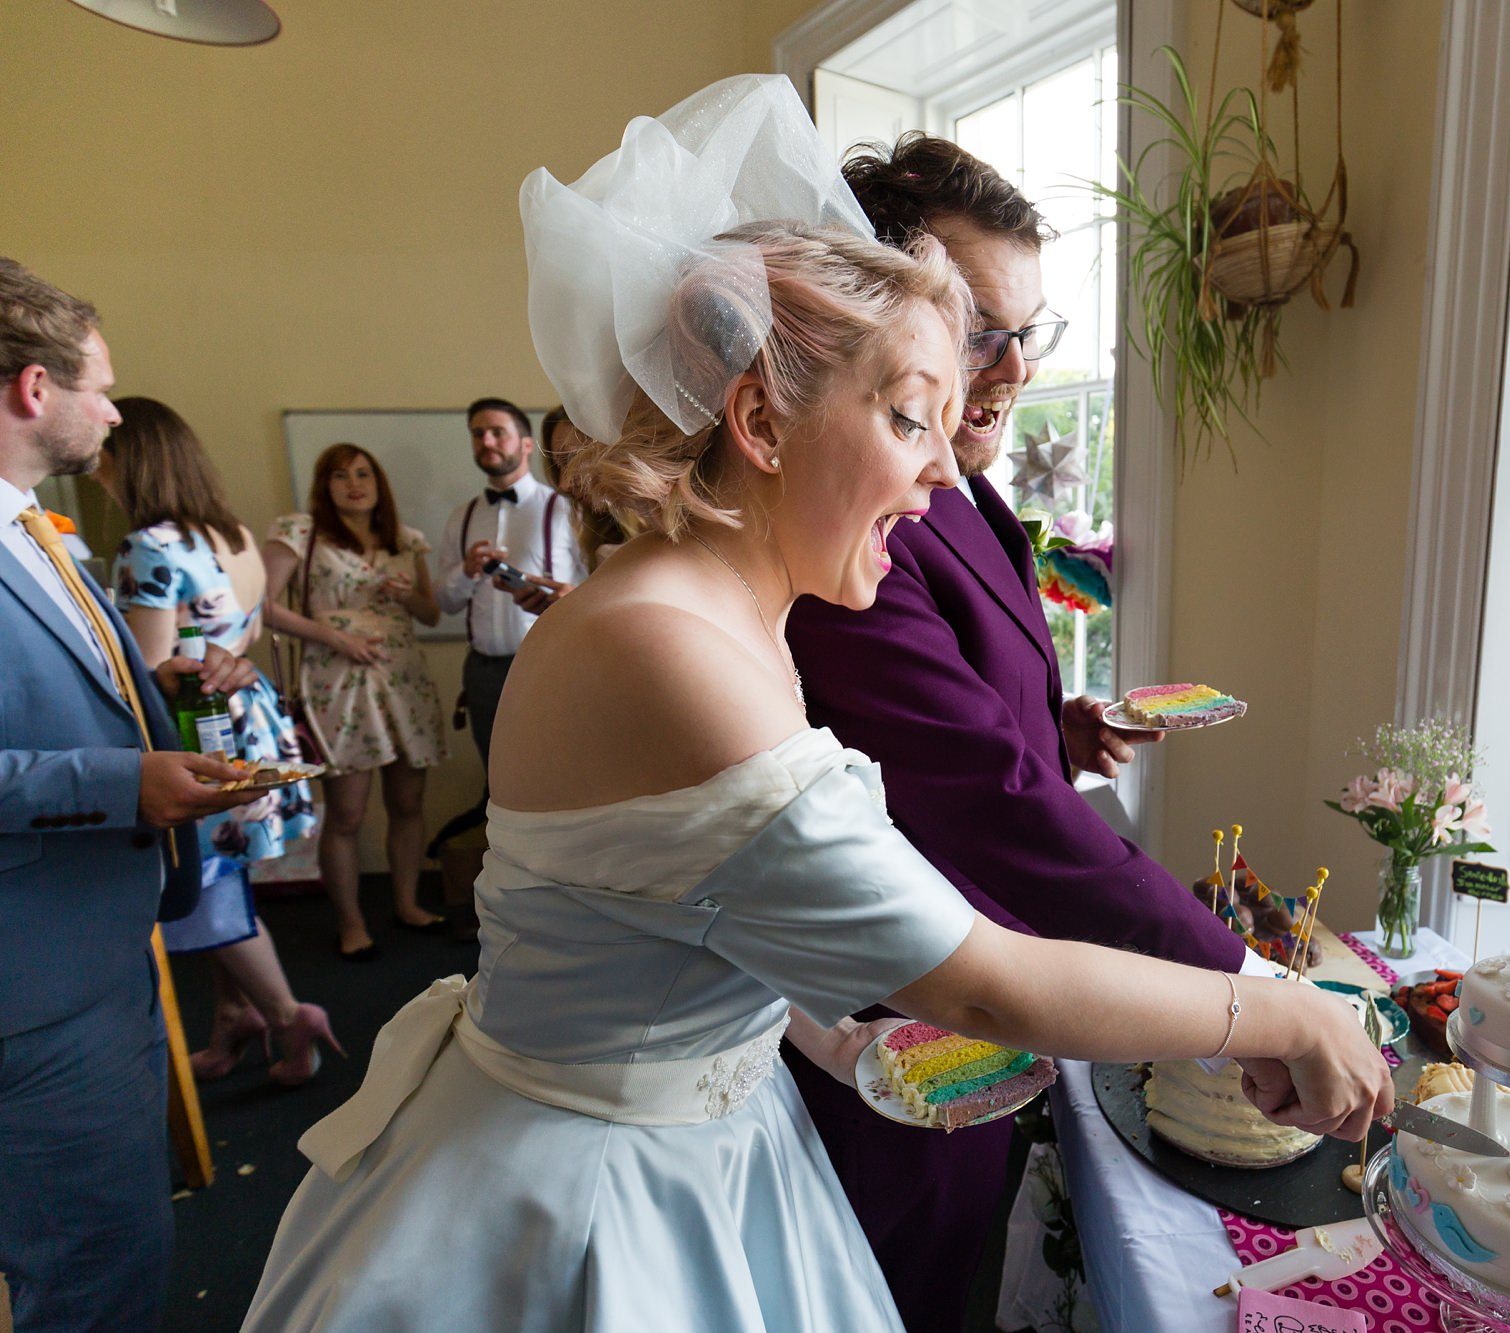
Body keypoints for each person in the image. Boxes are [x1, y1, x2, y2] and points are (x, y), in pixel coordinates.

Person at [241, 78, 1392, 1333]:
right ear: (757, 417)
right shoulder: (669, 650)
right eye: (909, 421)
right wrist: (1271, 1006)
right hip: (587, 1202)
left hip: (700, 1122)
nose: (939, 475)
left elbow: (676, 901)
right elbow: (986, 983)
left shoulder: (726, 615)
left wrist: (827, 1037)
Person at [782, 133, 1260, 1323]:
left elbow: (932, 720)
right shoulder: (861, 519)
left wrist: (1054, 719)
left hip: (994, 1006)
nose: (1010, 368)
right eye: (978, 325)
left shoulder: (963, 483)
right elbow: (980, 795)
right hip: (899, 1020)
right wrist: (1244, 984)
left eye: (1027, 331)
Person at [0, 257, 262, 1331]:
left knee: (116, 1245)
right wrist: (122, 785)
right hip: (33, 982)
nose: (112, 409)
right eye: (100, 386)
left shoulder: (31, 525)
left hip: (89, 948)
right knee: (95, 1267)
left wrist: (151, 690)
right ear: (32, 390)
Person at [99, 396, 339, 1084]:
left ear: (131, 460)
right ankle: (235, 1017)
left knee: (205, 887)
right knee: (224, 876)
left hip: (196, 728)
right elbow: (250, 634)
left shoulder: (149, 546)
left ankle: (290, 1014)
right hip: (247, 716)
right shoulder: (230, 533)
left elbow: (150, 675)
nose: (94, 471)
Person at [262, 444, 448, 958]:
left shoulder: (405, 540)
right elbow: (260, 606)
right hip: (337, 679)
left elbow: (430, 615)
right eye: (339, 475)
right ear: (324, 485)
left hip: (403, 678)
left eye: (364, 473)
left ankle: (407, 903)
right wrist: (333, 637)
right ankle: (351, 923)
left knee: (407, 803)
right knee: (346, 813)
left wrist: (407, 593)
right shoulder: (300, 532)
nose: (354, 483)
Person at [434, 396, 586, 767]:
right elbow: (445, 602)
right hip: (483, 672)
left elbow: (598, 586)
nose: (486, 442)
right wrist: (467, 571)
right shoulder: (462, 516)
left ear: (527, 444)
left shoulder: (567, 508)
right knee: (495, 776)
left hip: (552, 667)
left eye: (498, 433)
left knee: (556, 770)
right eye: (478, 434)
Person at [540, 403, 628, 572]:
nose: (563, 485)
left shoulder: (679, 540)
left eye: (572, 459)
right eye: (559, 468)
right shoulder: (600, 545)